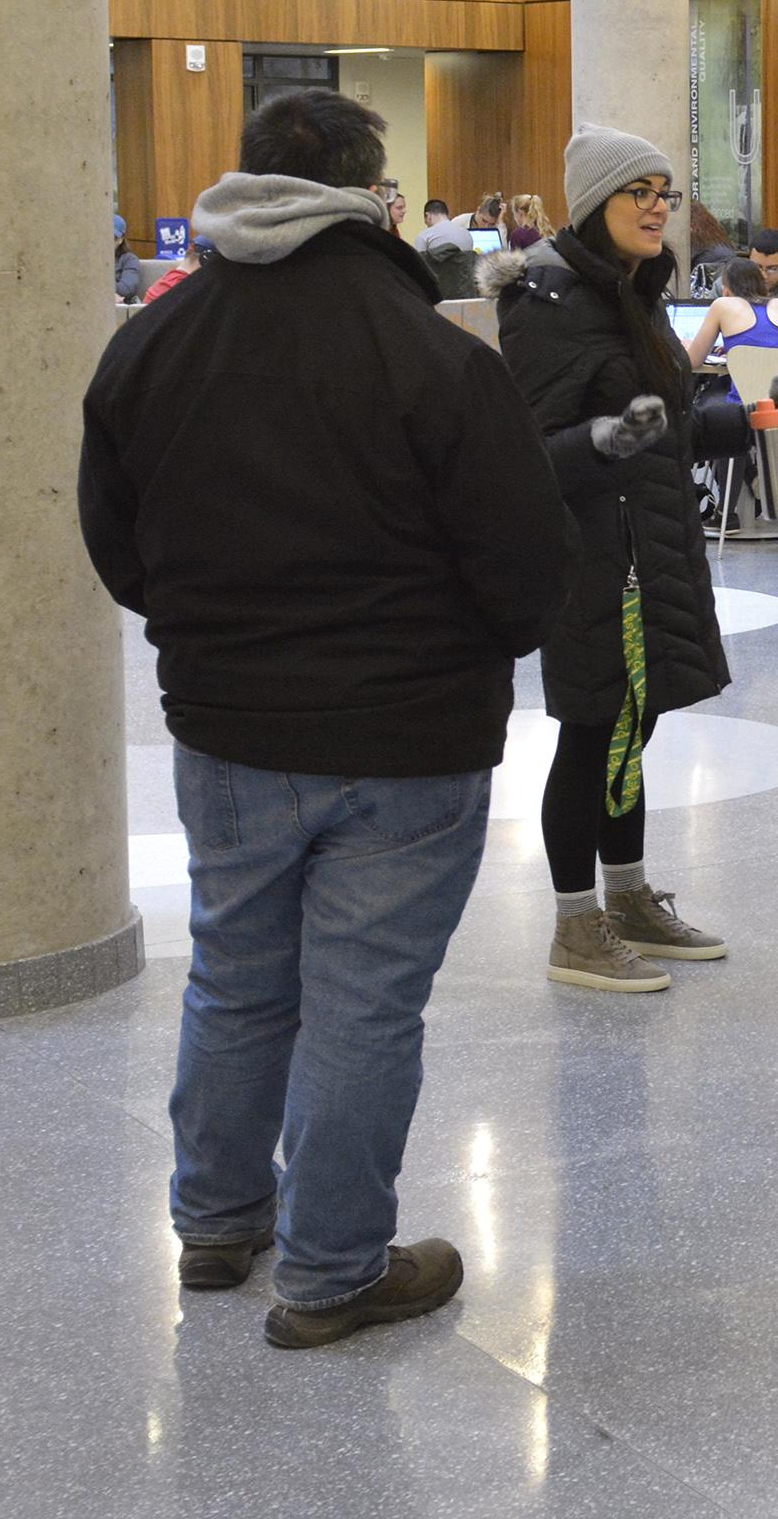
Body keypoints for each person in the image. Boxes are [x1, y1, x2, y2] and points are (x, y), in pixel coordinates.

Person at [76, 89, 569, 1350]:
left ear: (243, 178)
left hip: (229, 723)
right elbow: (526, 570)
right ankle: (335, 1266)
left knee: (236, 977)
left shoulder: (152, 342)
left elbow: (118, 547)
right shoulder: (436, 352)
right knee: (363, 1003)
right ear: (372, 191)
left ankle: (220, 1223)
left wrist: (211, 634)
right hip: (407, 736)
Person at [486, 126, 753, 993]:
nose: (655, 206)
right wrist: (609, 438)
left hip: (652, 548)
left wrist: (729, 420)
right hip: (594, 560)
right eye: (635, 190)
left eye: (664, 191)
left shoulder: (631, 294)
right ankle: (575, 927)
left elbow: (658, 423)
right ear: (594, 203)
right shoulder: (550, 302)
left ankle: (629, 896)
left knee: (630, 733)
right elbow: (525, 455)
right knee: (592, 730)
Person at [683, 256, 778, 371]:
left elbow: (693, 362)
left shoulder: (721, 305)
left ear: (726, 292)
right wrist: (738, 351)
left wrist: (687, 346)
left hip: (745, 391)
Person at [112, 214, 144, 302]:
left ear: (120, 240)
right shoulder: (91, 259)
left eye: (112, 237)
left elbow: (126, 289)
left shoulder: (129, 259)